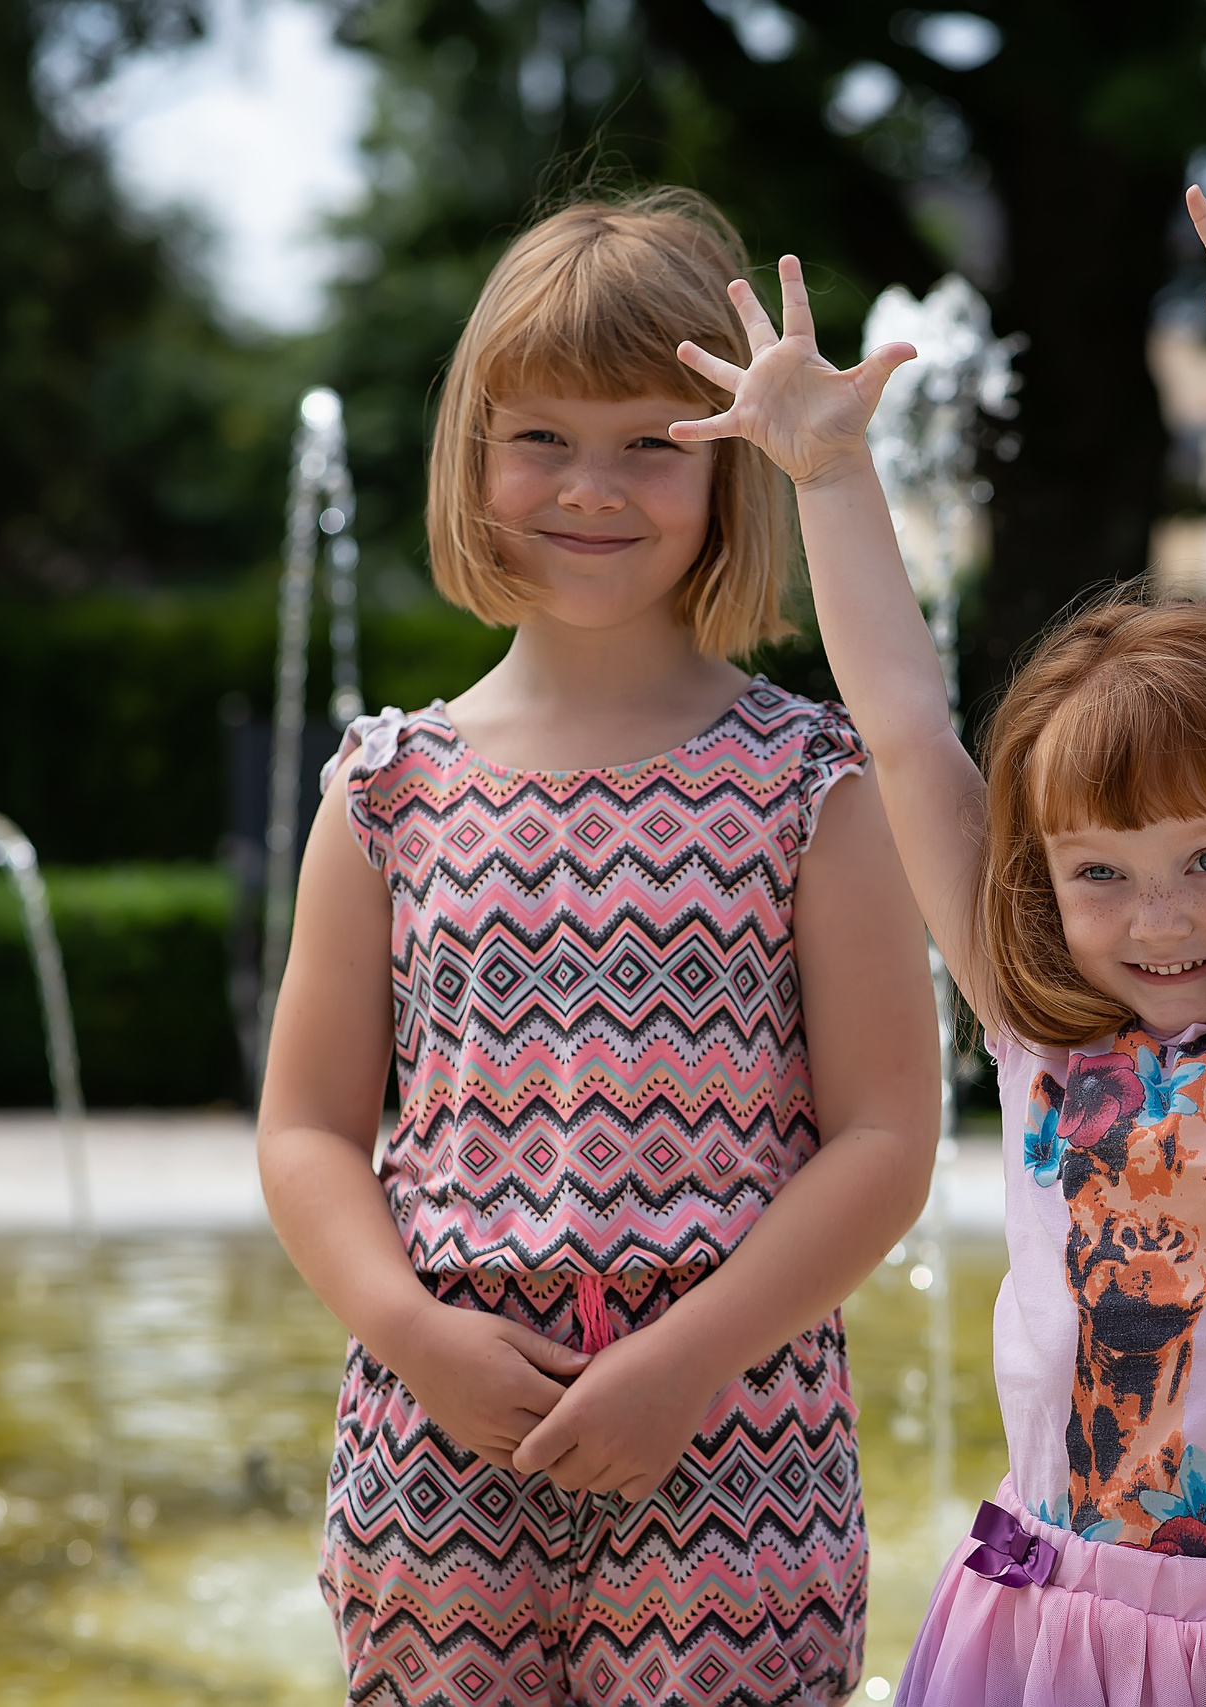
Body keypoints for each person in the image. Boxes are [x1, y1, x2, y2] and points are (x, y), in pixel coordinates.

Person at [669, 163, 1206, 1704]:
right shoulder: (1047, 1026)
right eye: (1098, 873)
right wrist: (831, 478)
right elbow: (905, 736)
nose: (1156, 919)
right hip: (1052, 1636)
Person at [256, 187, 940, 1707]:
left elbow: (888, 1138)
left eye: (650, 441)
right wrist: (411, 1337)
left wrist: (687, 1358)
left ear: (730, 465)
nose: (593, 486)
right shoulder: (388, 789)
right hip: (437, 1436)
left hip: (734, 1435)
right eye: (543, 438)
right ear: (474, 456)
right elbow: (307, 1130)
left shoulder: (811, 784)